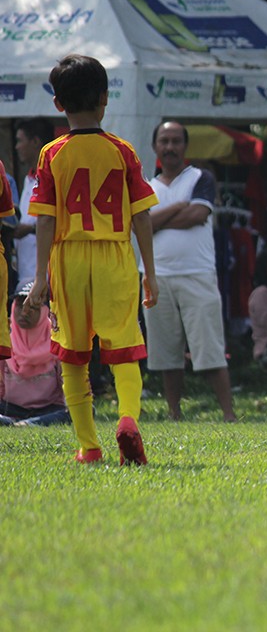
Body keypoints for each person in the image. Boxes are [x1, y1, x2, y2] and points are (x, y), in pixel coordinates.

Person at [26, 53, 159, 464]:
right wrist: (149, 274)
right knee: (125, 348)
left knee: (72, 354)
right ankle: (127, 419)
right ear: (105, 98)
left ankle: (88, 446)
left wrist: (40, 279)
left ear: (57, 103)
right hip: (114, 256)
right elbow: (141, 216)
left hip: (68, 259)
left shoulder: (51, 154)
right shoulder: (122, 150)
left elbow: (45, 223)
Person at [144, 121, 236, 422]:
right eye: (164, 141)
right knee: (167, 355)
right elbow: (141, 225)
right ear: (155, 147)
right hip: (157, 277)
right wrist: (175, 209)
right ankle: (174, 413)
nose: (170, 147)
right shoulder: (148, 187)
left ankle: (228, 414)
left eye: (175, 141)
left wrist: (157, 220)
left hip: (197, 274)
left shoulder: (201, 178)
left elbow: (198, 215)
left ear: (185, 146)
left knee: (210, 350)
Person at [0, 283, 68, 427]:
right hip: (9, 408)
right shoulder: (4, 340)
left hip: (48, 409)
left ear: (44, 311)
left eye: (32, 307)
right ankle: (23, 423)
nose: (24, 312)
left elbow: (67, 386)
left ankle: (22, 423)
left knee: (79, 410)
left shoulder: (57, 342)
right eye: (19, 306)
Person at [13, 118, 54, 291]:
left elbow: (54, 221)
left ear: (35, 142)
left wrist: (29, 229)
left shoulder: (53, 177)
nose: (17, 147)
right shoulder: (28, 179)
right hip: (26, 275)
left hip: (47, 278)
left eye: (20, 141)